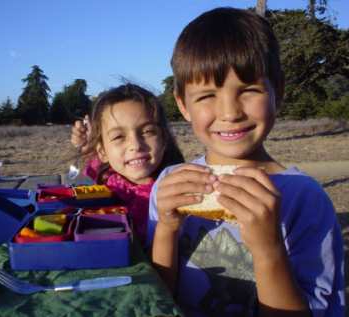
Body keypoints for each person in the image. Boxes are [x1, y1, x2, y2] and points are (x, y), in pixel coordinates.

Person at [147, 7, 345, 317]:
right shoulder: (171, 183)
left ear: (277, 91)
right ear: (183, 105)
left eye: (249, 90)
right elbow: (155, 297)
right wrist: (166, 229)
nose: (230, 113)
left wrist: (268, 249)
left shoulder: (305, 198)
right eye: (206, 96)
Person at [71, 83, 184, 244]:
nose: (135, 145)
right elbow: (91, 159)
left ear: (164, 139)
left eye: (147, 131)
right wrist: (85, 145)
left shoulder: (174, 188)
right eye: (118, 137)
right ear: (102, 152)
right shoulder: (106, 175)